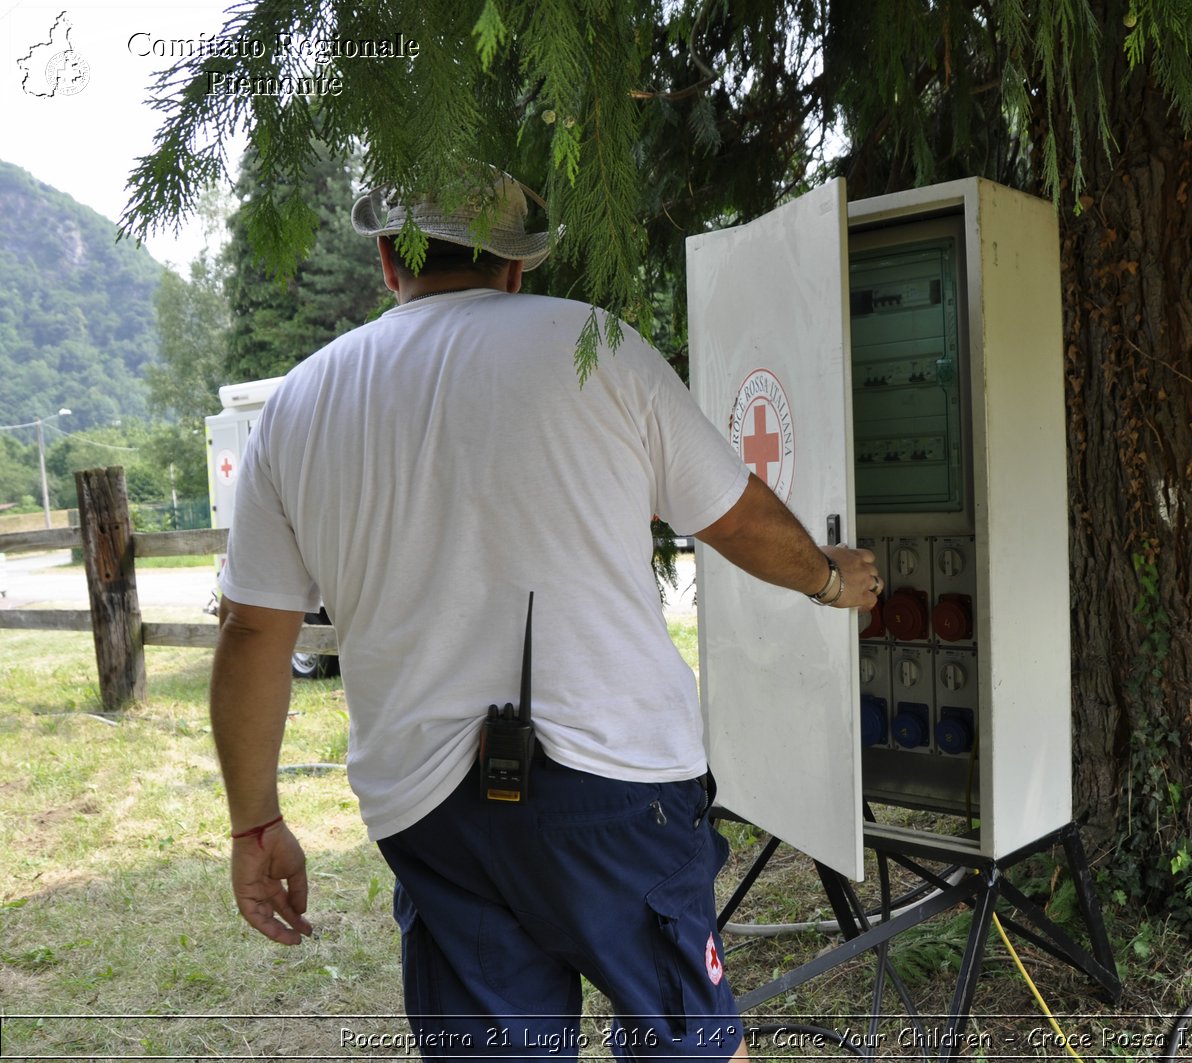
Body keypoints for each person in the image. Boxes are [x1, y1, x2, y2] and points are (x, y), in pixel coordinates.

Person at [208, 167, 882, 1060]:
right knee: (690, 1048)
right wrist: (830, 579)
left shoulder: (300, 401)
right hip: (617, 784)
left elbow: (255, 631)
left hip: (430, 813)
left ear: (385, 262)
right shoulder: (591, 345)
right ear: (518, 267)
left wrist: (255, 824)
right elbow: (737, 515)